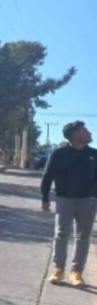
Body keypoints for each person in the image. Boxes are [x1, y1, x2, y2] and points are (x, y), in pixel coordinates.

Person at [41, 120, 97, 287]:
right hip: (64, 199)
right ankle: (58, 269)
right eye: (85, 130)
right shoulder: (59, 154)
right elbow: (47, 177)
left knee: (83, 237)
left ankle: (76, 272)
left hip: (88, 201)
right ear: (75, 134)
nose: (89, 133)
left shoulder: (94, 154)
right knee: (61, 234)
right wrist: (45, 198)